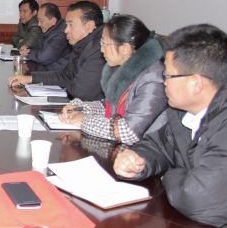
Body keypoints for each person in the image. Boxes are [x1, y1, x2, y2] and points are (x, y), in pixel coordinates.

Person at [113, 24, 227, 228]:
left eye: (168, 75)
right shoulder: (183, 111)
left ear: (196, 83)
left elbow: (199, 200)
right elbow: (160, 144)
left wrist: (168, 175)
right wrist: (137, 159)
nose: (163, 81)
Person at [58, 15, 167, 145]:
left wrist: (83, 120)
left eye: (104, 44)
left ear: (125, 49)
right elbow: (108, 106)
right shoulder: (123, 69)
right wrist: (80, 108)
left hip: (144, 152)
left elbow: (127, 132)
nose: (101, 50)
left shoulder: (153, 80)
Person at [8, 0, 105, 101]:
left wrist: (64, 84)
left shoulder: (99, 50)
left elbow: (80, 91)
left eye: (71, 25)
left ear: (89, 26)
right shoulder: (82, 44)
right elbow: (65, 76)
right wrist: (29, 78)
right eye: (66, 25)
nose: (66, 30)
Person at [24, 2, 70, 71]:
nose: (39, 24)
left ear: (53, 21)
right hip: (46, 70)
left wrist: (28, 52)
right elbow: (37, 46)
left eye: (41, 21)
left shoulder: (61, 35)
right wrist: (27, 49)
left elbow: (43, 58)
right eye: (38, 20)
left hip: (57, 74)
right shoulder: (49, 30)